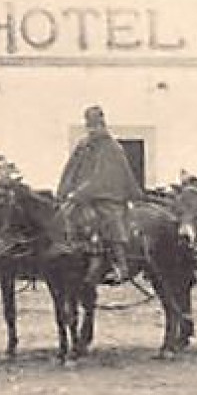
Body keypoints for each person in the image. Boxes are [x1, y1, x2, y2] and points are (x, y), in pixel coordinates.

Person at [57, 105, 140, 282]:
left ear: (103, 124)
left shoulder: (112, 147)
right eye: (90, 125)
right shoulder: (83, 144)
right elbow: (71, 169)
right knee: (65, 216)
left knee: (110, 218)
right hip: (82, 195)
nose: (93, 129)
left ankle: (120, 265)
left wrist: (80, 192)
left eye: (96, 125)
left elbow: (102, 175)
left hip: (107, 195)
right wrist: (64, 191)